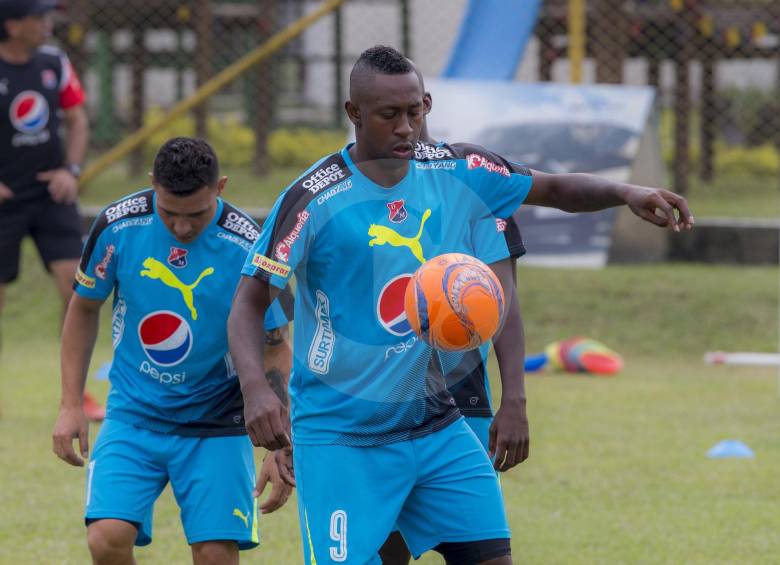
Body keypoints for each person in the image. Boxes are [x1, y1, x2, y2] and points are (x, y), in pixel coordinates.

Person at [228, 46, 693, 565]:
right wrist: (256, 393)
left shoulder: (457, 168)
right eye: (389, 115)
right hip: (343, 438)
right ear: (353, 114)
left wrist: (628, 191)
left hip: (436, 425)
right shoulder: (313, 198)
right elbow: (249, 303)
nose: (406, 127)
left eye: (415, 111)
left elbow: (554, 187)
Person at [52, 138, 294, 565]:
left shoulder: (251, 245)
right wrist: (71, 403)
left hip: (217, 421)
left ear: (220, 187)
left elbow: (276, 345)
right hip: (134, 413)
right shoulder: (118, 226)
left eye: (195, 215)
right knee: (106, 537)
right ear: (152, 185)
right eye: (169, 213)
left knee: (215, 554)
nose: (181, 228)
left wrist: (280, 441)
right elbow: (83, 307)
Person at [0, 0, 103, 420]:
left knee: (76, 289)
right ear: (11, 24)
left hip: (51, 196)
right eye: (38, 16)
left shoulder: (53, 61)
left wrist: (71, 171)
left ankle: (77, 395)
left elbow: (76, 120)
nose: (48, 23)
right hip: (5, 201)